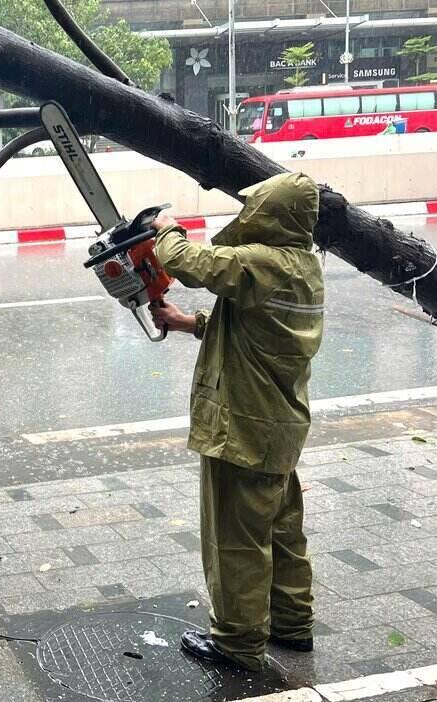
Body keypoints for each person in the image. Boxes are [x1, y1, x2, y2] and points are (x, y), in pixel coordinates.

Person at [149, 172, 325, 673]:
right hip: (280, 426)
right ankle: (293, 626)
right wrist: (190, 323)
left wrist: (164, 226)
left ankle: (237, 644)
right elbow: (258, 329)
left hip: (242, 430)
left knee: (236, 542)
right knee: (283, 532)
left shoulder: (262, 262)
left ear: (271, 213)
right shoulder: (302, 266)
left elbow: (187, 261)